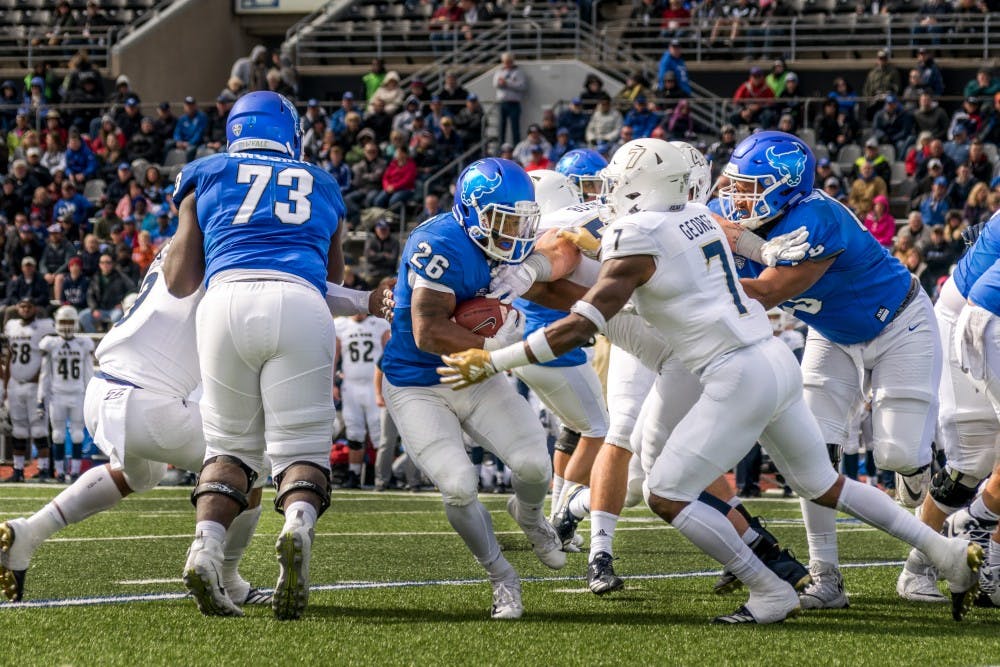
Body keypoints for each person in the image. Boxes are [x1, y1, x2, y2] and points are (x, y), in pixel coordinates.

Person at [442, 138, 983, 624]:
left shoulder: (638, 232)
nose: (610, 190)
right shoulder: (693, 217)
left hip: (731, 372)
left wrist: (495, 359)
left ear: (644, 187)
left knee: (665, 494)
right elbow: (721, 235)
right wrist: (759, 248)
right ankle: (946, 554)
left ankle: (768, 589)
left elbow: (585, 319)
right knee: (825, 483)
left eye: (621, 182)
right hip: (772, 360)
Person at [717, 131, 948, 609]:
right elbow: (707, 227)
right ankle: (826, 576)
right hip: (832, 332)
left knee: (897, 454)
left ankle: (922, 468)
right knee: (812, 456)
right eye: (736, 185)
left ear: (784, 187)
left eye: (749, 187)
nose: (737, 197)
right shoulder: (751, 213)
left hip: (899, 322)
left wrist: (720, 261)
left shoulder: (816, 219)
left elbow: (768, 290)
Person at [162, 91, 347, 621]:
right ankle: (296, 528)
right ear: (290, 132)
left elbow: (179, 281)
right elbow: (334, 277)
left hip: (224, 302)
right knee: (301, 446)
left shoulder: (205, 172)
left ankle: (205, 549)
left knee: (229, 449)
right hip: (298, 301)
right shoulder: (322, 181)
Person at [379, 157, 564, 620]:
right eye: (504, 221)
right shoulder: (438, 243)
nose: (514, 233)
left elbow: (563, 250)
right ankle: (503, 576)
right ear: (472, 212)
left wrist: (534, 266)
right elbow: (427, 329)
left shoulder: (511, 243)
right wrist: (494, 342)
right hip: (419, 381)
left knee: (534, 466)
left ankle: (529, 515)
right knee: (460, 487)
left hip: (479, 377)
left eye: (521, 221)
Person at [36, 306, 93, 483]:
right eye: (64, 322)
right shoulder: (51, 344)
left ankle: (74, 472)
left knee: (77, 434)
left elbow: (88, 373)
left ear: (75, 323)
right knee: (57, 435)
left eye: (70, 322)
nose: (67, 326)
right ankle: (60, 472)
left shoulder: (84, 344)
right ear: (57, 323)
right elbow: (45, 374)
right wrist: (40, 398)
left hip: (77, 394)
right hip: (57, 395)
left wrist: (91, 396)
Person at [1, 299, 55, 483]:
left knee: (39, 429)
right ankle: (18, 470)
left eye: (28, 307)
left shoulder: (43, 327)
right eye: (22, 306)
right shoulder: (12, 326)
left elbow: (48, 356)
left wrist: (39, 376)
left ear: (35, 308)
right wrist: (7, 383)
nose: (25, 310)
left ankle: (44, 470)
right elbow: (10, 355)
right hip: (16, 384)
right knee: (19, 430)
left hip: (35, 386)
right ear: (18, 308)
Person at [335, 311, 391, 489]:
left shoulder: (379, 324)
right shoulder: (340, 325)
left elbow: (388, 352)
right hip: (350, 386)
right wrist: (333, 383)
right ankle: (354, 474)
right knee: (354, 432)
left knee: (379, 432)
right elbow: (334, 356)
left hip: (374, 386)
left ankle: (381, 476)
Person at [80, 253, 135, 333]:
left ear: (112, 264)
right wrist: (94, 309)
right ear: (99, 264)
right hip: (99, 309)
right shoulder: (95, 278)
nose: (105, 265)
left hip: (114, 310)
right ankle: (94, 339)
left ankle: (110, 340)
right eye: (102, 262)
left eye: (108, 262)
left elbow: (132, 289)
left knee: (118, 317)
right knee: (83, 316)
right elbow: (90, 295)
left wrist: (122, 303)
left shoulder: (120, 276)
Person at [493, 52, 527, 146]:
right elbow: (495, 83)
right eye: (505, 61)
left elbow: (522, 86)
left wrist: (507, 83)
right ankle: (501, 148)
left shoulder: (518, 72)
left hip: (514, 103)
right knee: (501, 128)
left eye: (509, 61)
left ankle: (516, 148)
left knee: (515, 128)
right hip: (502, 103)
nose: (507, 63)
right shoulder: (499, 71)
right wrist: (504, 83)